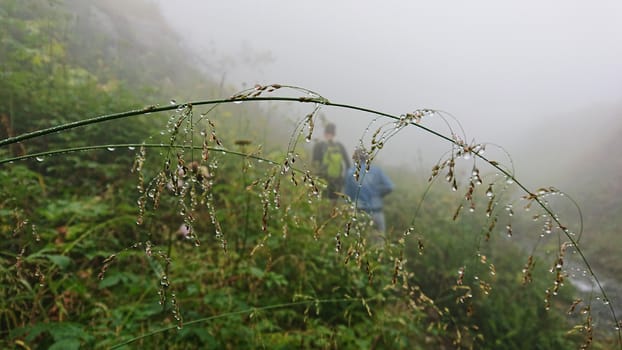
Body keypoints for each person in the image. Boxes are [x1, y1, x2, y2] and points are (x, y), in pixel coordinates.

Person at [344, 147, 394, 242]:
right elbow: (390, 187)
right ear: (367, 158)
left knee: (357, 244)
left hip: (359, 213)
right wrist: (377, 193)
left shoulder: (351, 172)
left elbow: (347, 197)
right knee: (378, 245)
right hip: (377, 212)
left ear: (355, 158)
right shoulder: (377, 171)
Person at [312, 123, 350, 199]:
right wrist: (343, 180)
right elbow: (348, 165)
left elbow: (314, 163)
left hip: (322, 180)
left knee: (322, 204)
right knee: (333, 206)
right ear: (334, 134)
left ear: (324, 133)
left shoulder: (319, 145)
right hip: (337, 182)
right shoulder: (340, 146)